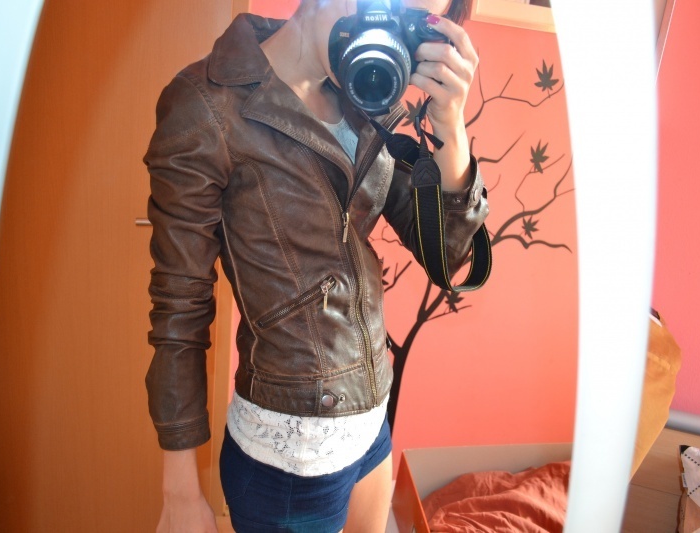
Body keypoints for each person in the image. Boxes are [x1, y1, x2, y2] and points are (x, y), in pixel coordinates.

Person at [144, 1, 488, 531]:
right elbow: (179, 310)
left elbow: (445, 256)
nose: (386, 32)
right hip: (290, 459)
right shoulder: (208, 105)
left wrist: (451, 128)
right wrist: (180, 493)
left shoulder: (366, 93)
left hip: (371, 419)